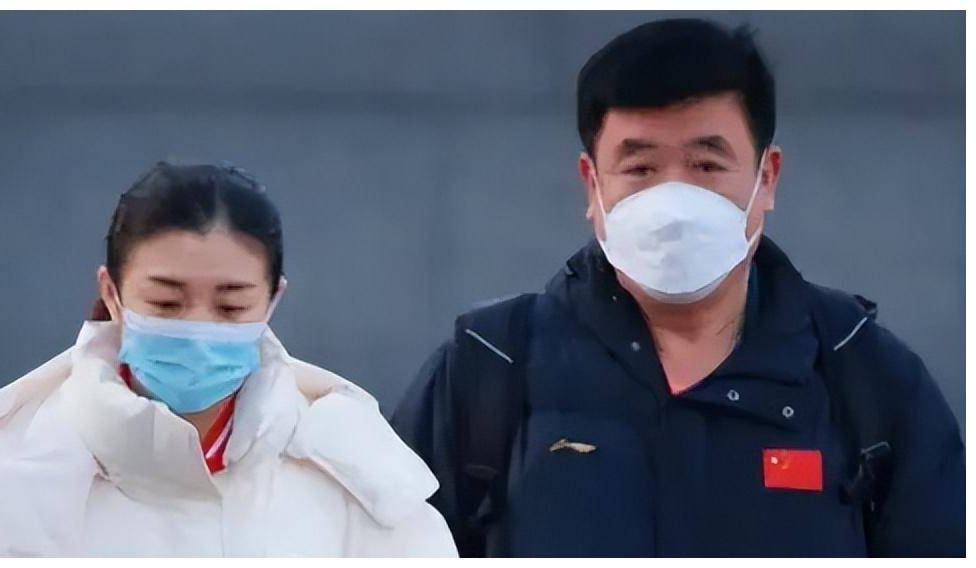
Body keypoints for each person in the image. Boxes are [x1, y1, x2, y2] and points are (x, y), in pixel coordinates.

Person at [391, 19, 964, 557]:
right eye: (640, 169)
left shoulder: (863, 374)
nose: (674, 202)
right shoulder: (487, 369)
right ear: (592, 184)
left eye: (706, 166)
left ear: (767, 178)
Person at [0, 161, 457, 557]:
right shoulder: (1, 498)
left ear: (273, 300)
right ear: (113, 294)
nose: (199, 328)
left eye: (231, 305)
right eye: (166, 303)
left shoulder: (363, 492)